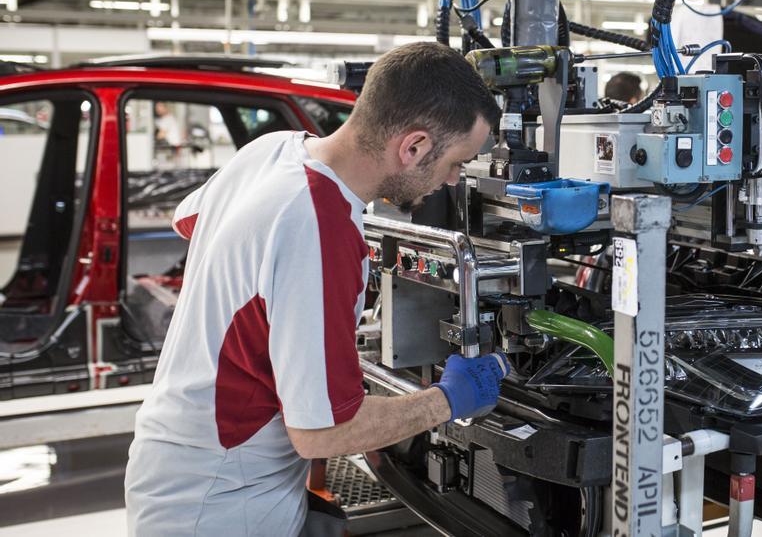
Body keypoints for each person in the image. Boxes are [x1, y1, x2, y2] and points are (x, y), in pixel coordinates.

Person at [125, 42, 507, 536]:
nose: (456, 179)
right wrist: (449, 398)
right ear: (412, 148)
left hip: (180, 459)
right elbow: (323, 432)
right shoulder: (320, 228)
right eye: (457, 162)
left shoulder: (274, 149)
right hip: (221, 501)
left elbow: (191, 221)